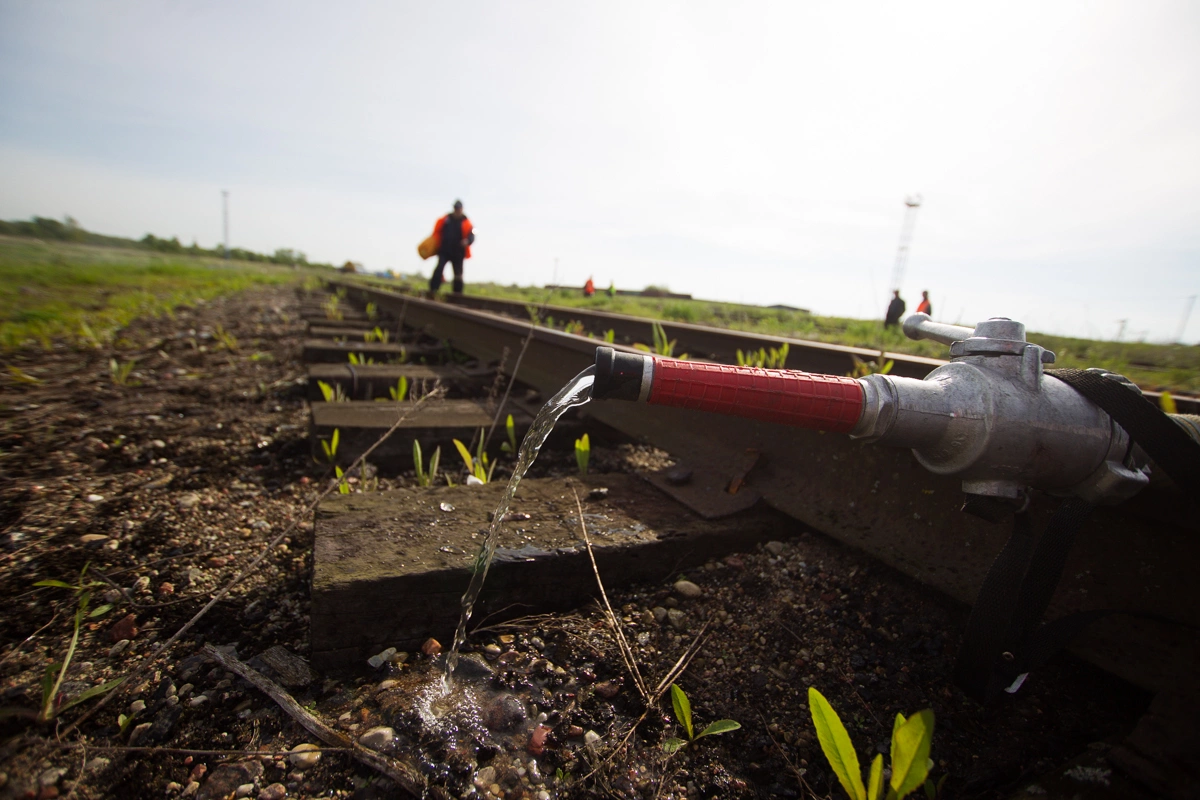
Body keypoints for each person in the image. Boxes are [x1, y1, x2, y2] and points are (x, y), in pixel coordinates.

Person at [428, 200, 475, 294]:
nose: (457, 210)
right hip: (445, 250)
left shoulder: (467, 222)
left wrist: (468, 241)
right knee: (439, 269)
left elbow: (472, 235)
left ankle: (457, 294)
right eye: (456, 208)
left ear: (462, 209)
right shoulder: (446, 219)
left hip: (458, 252)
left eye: (459, 208)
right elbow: (436, 232)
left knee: (458, 274)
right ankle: (433, 290)